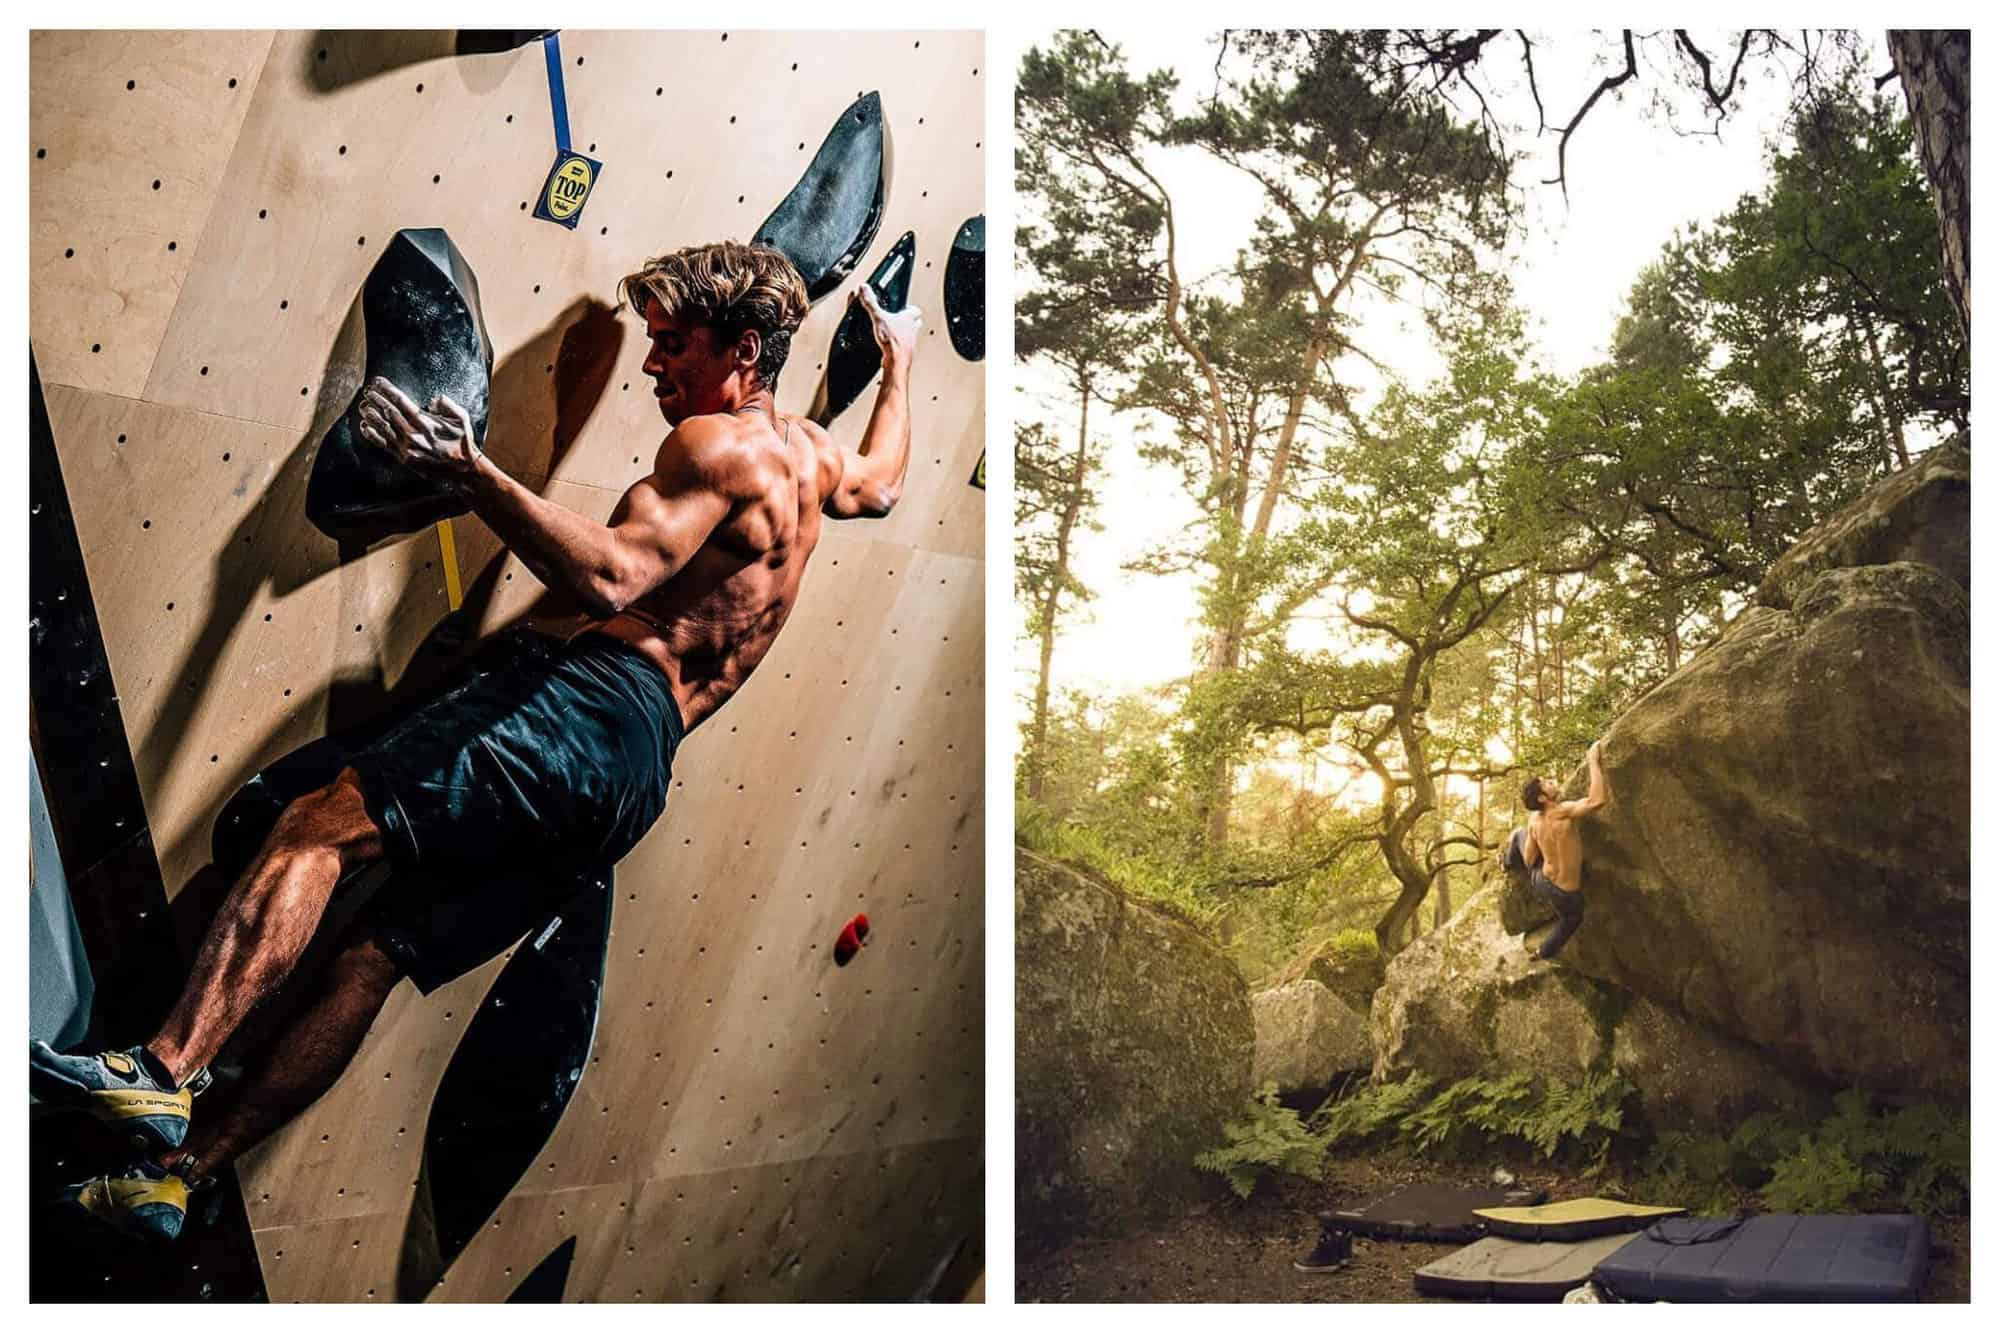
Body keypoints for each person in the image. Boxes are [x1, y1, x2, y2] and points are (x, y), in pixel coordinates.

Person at [32, 240, 923, 1241]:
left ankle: (160, 1071)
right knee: (373, 955)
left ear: (744, 350)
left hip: (583, 710)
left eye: (674, 344)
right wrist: (897, 361)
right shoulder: (810, 458)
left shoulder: (717, 448)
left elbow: (617, 578)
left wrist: (470, 472)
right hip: (635, 774)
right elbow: (884, 481)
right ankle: (177, 1176)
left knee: (318, 829)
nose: (652, 367)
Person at [1517, 740, 1611, 960]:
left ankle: (1505, 861)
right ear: (1543, 798)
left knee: (1518, 836)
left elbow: (1529, 860)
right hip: (1567, 893)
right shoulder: (1564, 811)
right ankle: (1544, 952)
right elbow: (1597, 800)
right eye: (1547, 783)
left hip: (1544, 883)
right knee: (1573, 918)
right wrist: (1593, 762)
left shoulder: (1534, 821)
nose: (1552, 782)